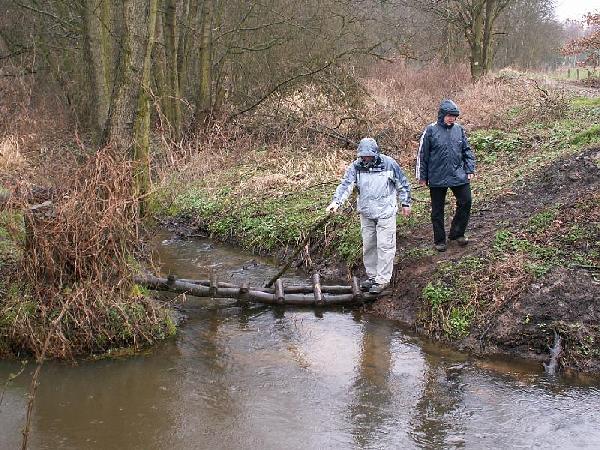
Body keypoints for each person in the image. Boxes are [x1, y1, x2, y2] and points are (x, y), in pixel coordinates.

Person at [326, 137, 411, 294]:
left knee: (385, 246)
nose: (366, 158)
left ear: (376, 153)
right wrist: (336, 203)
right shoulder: (356, 167)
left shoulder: (389, 164)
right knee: (369, 245)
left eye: (369, 155)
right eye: (363, 156)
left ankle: (383, 280)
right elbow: (346, 185)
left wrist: (405, 203)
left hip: (386, 212)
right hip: (366, 213)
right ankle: (372, 276)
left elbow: (403, 184)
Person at [416, 99, 476, 252]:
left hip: (458, 174)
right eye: (449, 115)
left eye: (454, 116)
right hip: (437, 176)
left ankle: (457, 233)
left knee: (466, 201)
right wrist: (422, 176)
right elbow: (423, 155)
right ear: (442, 115)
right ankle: (440, 240)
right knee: (437, 210)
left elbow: (466, 150)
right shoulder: (430, 130)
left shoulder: (459, 129)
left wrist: (469, 169)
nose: (452, 118)